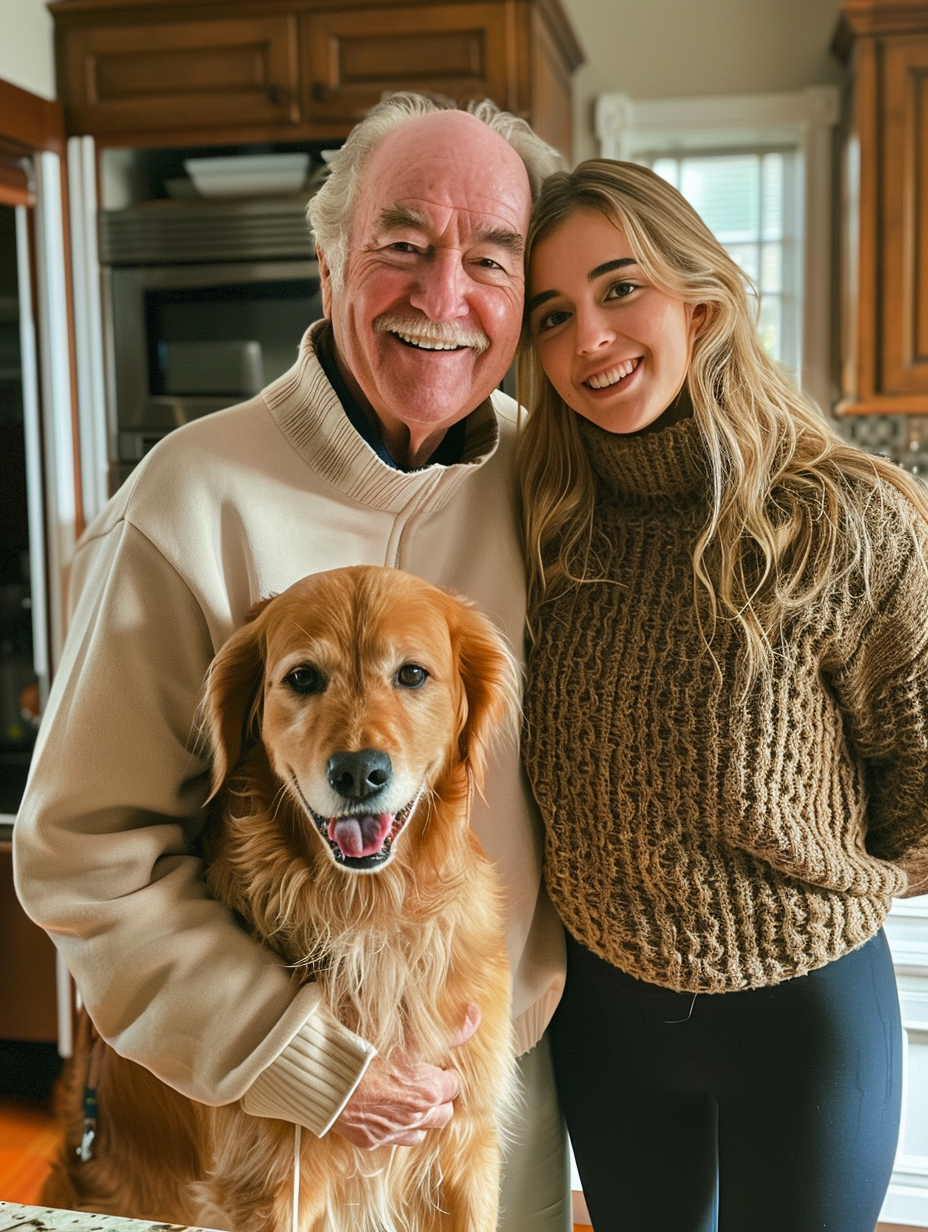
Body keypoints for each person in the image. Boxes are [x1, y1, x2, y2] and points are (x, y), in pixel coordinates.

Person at [14, 93, 571, 1230]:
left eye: (490, 259)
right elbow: (82, 855)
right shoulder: (182, 501)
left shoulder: (550, 476)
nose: (443, 293)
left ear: (522, 299)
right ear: (329, 266)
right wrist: (300, 1057)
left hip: (494, 1074)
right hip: (244, 1106)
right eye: (401, 246)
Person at [516, 159, 928, 1232]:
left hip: (806, 1019)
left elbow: (922, 763)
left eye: (618, 287)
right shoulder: (541, 528)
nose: (587, 341)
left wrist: (826, 882)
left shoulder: (844, 517)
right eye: (551, 313)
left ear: (699, 297)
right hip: (601, 1018)